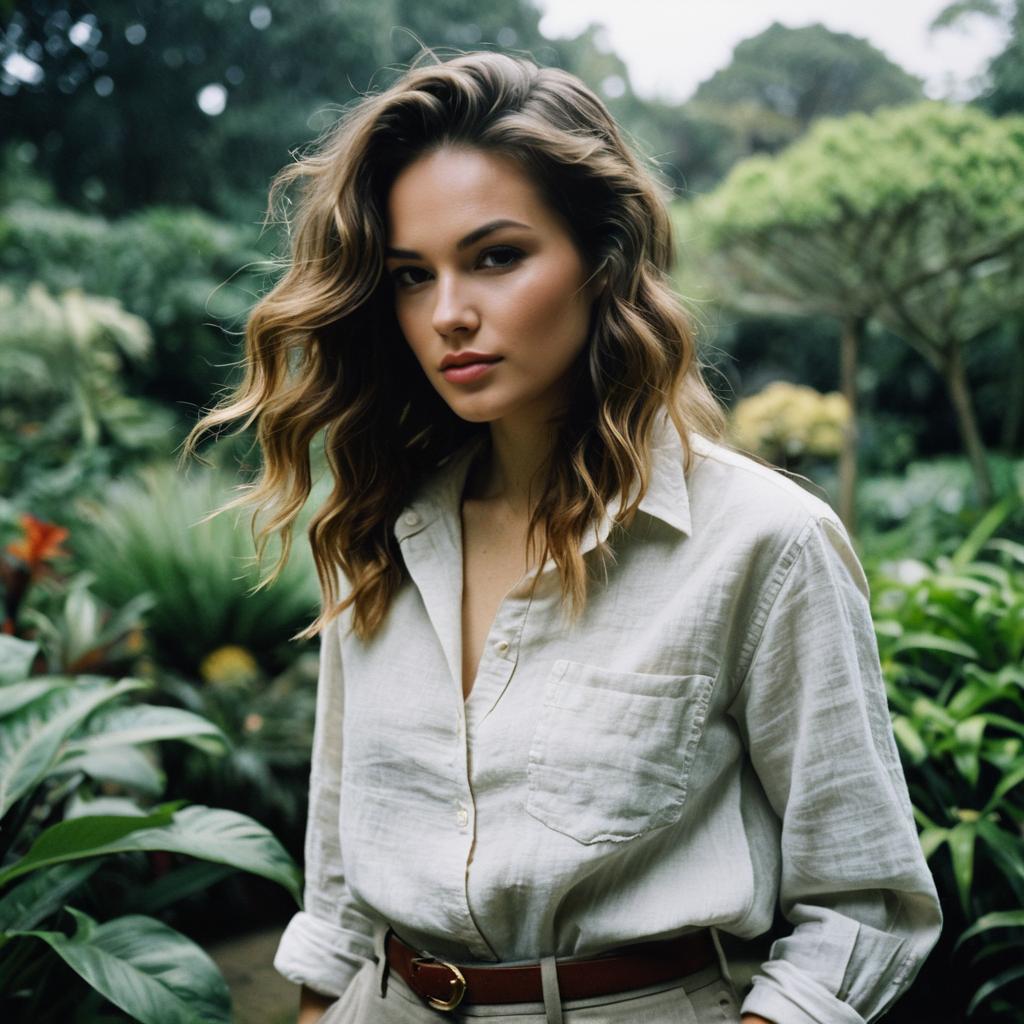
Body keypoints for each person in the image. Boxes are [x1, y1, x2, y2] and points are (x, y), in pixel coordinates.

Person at [186, 51, 942, 1024]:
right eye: (412, 276)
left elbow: (864, 904)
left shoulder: (763, 542)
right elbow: (339, 879)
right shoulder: (381, 531)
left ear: (601, 259)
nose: (448, 314)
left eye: (496, 257)